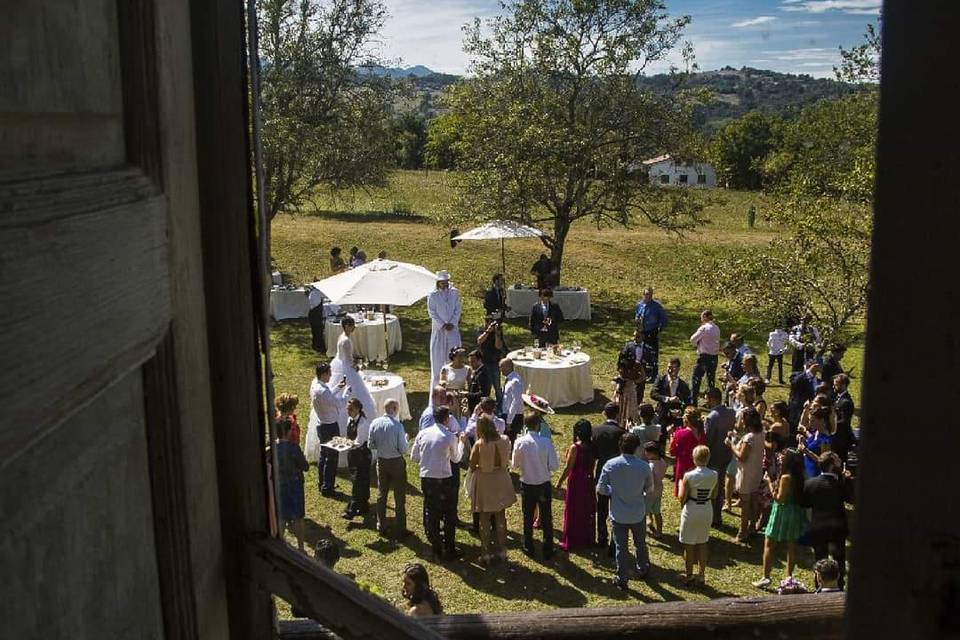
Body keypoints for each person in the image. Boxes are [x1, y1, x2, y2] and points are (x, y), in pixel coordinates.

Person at [596, 433, 654, 591]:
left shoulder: (610, 464)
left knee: (621, 547)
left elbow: (601, 488)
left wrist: (613, 491)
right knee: (640, 543)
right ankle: (643, 568)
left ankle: (622, 578)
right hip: (637, 513)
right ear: (636, 448)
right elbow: (650, 490)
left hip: (618, 513)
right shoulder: (644, 467)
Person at [410, 405, 467, 561]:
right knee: (448, 514)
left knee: (432, 513)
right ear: (447, 419)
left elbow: (414, 458)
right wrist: (461, 443)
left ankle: (436, 548)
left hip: (427, 479)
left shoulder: (422, 434)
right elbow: (456, 458)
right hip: (444, 479)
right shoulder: (449, 437)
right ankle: (449, 547)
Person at [752, 448, 807, 588]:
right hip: (795, 511)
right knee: (792, 546)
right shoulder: (800, 476)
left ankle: (766, 577)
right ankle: (789, 576)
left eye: (783, 457)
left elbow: (779, 499)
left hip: (782, 511)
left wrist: (769, 482)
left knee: (769, 543)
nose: (781, 458)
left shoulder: (786, 478)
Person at [802, 452, 854, 589]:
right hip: (837, 529)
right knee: (839, 561)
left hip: (818, 527)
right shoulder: (840, 484)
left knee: (819, 559)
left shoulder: (810, 484)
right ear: (831, 466)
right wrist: (848, 480)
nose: (840, 462)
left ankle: (818, 586)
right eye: (837, 461)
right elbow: (852, 498)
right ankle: (839, 586)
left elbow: (805, 503)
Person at [512, 410, 560, 560]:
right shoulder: (546, 442)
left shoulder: (520, 442)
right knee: (546, 517)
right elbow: (554, 466)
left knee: (527, 516)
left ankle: (528, 545)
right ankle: (548, 547)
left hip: (527, 484)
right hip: (543, 484)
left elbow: (515, 464)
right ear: (538, 425)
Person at [468, 415, 516, 564]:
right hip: (501, 478)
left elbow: (471, 464)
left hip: (485, 480)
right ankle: (502, 550)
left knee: (484, 518)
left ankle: (486, 552)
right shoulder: (505, 440)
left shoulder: (479, 444)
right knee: (501, 516)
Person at [367, 399, 409, 538]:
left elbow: (370, 445)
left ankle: (381, 523)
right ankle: (400, 527)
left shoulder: (375, 423)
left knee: (381, 494)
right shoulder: (397, 427)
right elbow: (403, 449)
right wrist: (406, 439)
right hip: (396, 462)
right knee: (399, 495)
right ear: (395, 409)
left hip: (382, 461)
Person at [678, 445, 717, 586]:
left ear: (694, 458)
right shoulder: (714, 474)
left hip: (692, 509)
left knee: (689, 545)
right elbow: (714, 494)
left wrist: (681, 485)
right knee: (702, 543)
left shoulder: (689, 476)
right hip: (706, 508)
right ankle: (701, 575)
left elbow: (682, 498)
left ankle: (689, 575)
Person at [556, 419, 596, 552]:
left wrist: (559, 481)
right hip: (588, 479)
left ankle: (572, 539)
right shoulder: (592, 446)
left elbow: (568, 467)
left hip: (576, 480)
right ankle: (585, 537)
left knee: (573, 509)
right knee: (585, 508)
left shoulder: (575, 447)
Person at [591, 403, 626, 552]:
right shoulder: (623, 432)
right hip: (619, 474)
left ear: (605, 413)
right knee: (617, 510)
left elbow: (593, 454)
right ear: (617, 414)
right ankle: (614, 541)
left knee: (602, 507)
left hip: (602, 472)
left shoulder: (596, 430)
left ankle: (602, 537)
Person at [310, 363, 348, 496]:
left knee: (323, 456)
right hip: (330, 427)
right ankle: (328, 487)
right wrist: (347, 393)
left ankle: (323, 483)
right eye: (329, 373)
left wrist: (338, 387)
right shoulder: (323, 391)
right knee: (332, 458)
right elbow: (340, 403)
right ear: (324, 374)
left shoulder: (316, 385)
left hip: (322, 425)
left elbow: (329, 396)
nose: (331, 375)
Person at [330, 316, 377, 422]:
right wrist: (356, 367)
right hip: (346, 366)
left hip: (339, 363)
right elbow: (348, 358)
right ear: (347, 326)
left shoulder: (341, 336)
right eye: (352, 326)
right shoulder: (346, 340)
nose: (354, 328)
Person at [730, 406, 765, 544]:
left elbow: (742, 456)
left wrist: (731, 445)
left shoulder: (749, 437)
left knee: (745, 506)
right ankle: (752, 528)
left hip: (746, 473)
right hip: (756, 471)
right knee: (753, 501)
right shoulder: (761, 433)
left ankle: (742, 533)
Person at [702, 387, 735, 527]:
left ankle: (712, 517)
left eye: (706, 397)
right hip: (726, 455)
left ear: (711, 398)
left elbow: (707, 439)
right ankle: (718, 516)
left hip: (713, 456)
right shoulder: (731, 412)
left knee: (712, 489)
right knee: (720, 487)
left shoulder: (711, 417)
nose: (705, 400)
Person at [275, 417, 309, 551]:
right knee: (298, 517)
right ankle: (301, 547)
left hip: (279, 485)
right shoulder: (293, 448)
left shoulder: (271, 447)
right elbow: (305, 466)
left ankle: (280, 544)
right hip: (294, 485)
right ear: (287, 431)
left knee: (282, 517)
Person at [427, 271, 462, 387]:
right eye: (442, 283)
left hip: (452, 330)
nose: (444, 285)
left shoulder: (454, 293)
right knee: (437, 359)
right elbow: (432, 312)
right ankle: (437, 387)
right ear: (438, 283)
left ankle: (453, 384)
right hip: (439, 331)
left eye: (446, 282)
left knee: (452, 356)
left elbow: (458, 309)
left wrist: (452, 322)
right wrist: (442, 324)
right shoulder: (433, 295)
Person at [342, 398, 372, 520]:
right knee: (360, 481)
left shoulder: (363, 424)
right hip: (353, 454)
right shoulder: (350, 420)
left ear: (358, 409)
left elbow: (358, 443)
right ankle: (364, 506)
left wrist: (344, 445)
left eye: (351, 409)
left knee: (358, 482)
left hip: (362, 455)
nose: (348, 411)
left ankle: (351, 510)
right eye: (347, 409)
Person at [669, 406, 707, 498]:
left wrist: (671, 435)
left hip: (684, 467)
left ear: (687, 419)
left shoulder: (681, 433)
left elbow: (672, 451)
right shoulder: (702, 433)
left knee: (683, 494)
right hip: (698, 466)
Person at [650, 358, 691, 436]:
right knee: (659, 438)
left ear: (678, 369)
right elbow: (653, 393)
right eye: (669, 367)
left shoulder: (683, 385)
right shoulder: (661, 379)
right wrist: (667, 399)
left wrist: (680, 411)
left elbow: (687, 402)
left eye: (673, 368)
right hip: (662, 414)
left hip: (676, 418)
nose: (670, 370)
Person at [634, 287, 668, 379]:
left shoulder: (656, 306)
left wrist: (659, 329)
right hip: (641, 332)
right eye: (646, 294)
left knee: (652, 353)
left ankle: (653, 374)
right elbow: (637, 315)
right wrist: (637, 319)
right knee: (642, 352)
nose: (647, 296)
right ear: (643, 295)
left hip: (652, 332)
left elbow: (664, 318)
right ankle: (644, 373)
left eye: (649, 294)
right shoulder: (639, 305)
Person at [689, 310, 721, 407]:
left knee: (696, 379)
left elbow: (692, 339)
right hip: (714, 357)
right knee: (711, 380)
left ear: (705, 317)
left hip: (704, 357)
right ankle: (711, 402)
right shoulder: (717, 328)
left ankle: (693, 401)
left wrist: (697, 343)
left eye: (702, 317)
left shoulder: (704, 328)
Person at [477, 315, 506, 410]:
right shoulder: (482, 330)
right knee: (486, 386)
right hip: (484, 362)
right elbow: (479, 341)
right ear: (486, 323)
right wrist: (487, 331)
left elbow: (498, 346)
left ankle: (500, 406)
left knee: (497, 386)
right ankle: (486, 405)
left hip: (494, 362)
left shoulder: (497, 332)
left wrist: (497, 334)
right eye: (489, 322)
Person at [798, 403, 834, 478]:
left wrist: (806, 451)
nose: (810, 424)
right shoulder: (816, 432)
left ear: (822, 420)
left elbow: (823, 462)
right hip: (806, 470)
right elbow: (813, 442)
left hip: (814, 473)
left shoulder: (825, 440)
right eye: (810, 421)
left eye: (813, 421)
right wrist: (804, 440)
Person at [620, 328, 655, 401]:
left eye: (637, 336)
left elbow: (652, 363)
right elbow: (621, 359)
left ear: (643, 337)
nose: (635, 338)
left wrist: (646, 374)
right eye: (634, 336)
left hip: (641, 374)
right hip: (629, 373)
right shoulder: (628, 346)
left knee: (639, 393)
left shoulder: (648, 349)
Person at [787, 360, 820, 432]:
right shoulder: (796, 375)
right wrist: (809, 372)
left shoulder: (819, 381)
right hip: (797, 411)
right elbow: (795, 383)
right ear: (805, 366)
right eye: (809, 366)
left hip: (811, 413)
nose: (811, 368)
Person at [643, 441, 667, 539]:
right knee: (657, 512)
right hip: (658, 490)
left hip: (649, 493)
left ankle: (642, 531)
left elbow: (649, 481)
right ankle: (659, 531)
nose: (645, 454)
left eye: (646, 452)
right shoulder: (662, 461)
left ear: (652, 453)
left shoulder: (651, 466)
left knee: (643, 513)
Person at [831, 374, 856, 463]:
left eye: (836, 384)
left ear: (843, 385)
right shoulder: (836, 398)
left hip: (840, 440)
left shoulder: (846, 402)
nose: (833, 386)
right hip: (835, 438)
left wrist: (829, 423)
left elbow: (844, 422)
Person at [500, 358, 524, 442]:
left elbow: (515, 402)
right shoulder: (510, 379)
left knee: (510, 441)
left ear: (507, 367)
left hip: (513, 416)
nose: (500, 370)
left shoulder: (515, 381)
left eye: (501, 367)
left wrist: (509, 421)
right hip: (507, 414)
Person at [307, 285, 325, 352]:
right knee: (317, 331)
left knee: (315, 331)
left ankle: (315, 345)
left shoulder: (313, 292)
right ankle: (318, 346)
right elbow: (316, 304)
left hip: (313, 314)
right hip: (315, 314)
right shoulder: (316, 293)